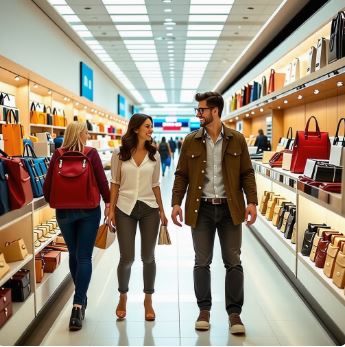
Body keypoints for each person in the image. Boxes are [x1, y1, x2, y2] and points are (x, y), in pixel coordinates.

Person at [171, 92, 258, 335]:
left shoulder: (237, 139)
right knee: (202, 261)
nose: (198, 114)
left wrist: (252, 201)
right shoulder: (191, 141)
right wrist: (176, 202)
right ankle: (204, 310)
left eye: (201, 110)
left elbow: (246, 174)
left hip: (231, 209)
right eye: (198, 110)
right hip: (202, 209)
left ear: (215, 111)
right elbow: (181, 175)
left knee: (233, 261)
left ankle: (234, 314)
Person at [43, 121, 110, 331]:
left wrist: (56, 200)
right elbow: (102, 182)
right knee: (84, 257)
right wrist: (109, 203)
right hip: (89, 210)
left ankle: (80, 296)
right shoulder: (91, 154)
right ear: (80, 134)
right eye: (86, 132)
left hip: (64, 211)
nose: (88, 135)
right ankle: (78, 304)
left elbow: (47, 186)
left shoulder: (58, 154)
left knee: (73, 254)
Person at [108, 113, 168, 322]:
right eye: (147, 126)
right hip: (125, 208)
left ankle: (148, 300)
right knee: (127, 258)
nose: (151, 130)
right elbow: (114, 182)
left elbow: (155, 184)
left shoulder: (155, 155)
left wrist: (162, 210)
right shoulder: (119, 153)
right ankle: (122, 296)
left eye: (151, 126)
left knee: (148, 257)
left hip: (149, 208)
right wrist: (111, 210)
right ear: (135, 129)